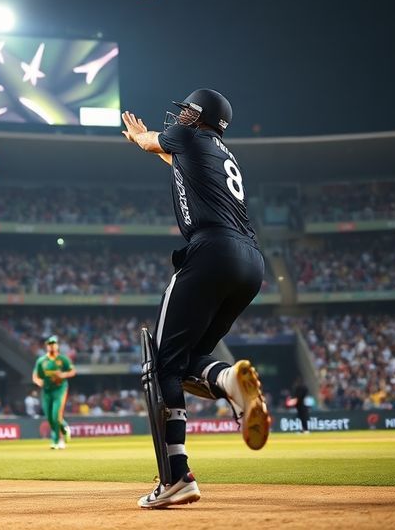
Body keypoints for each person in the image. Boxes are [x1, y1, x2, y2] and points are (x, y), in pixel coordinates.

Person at [121, 89, 271, 509]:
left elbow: (156, 142)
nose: (181, 115)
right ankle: (228, 381)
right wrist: (152, 146)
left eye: (188, 110)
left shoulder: (187, 137)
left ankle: (175, 476)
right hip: (251, 262)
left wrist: (138, 138)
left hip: (212, 251)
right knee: (187, 363)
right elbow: (174, 162)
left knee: (161, 363)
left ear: (200, 117)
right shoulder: (218, 151)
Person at [32, 336, 76, 449]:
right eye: (50, 344)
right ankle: (64, 427)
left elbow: (72, 371)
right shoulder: (41, 361)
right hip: (46, 390)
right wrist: (38, 382)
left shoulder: (63, 359)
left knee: (56, 414)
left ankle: (57, 441)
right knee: (49, 417)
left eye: (54, 343)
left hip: (59, 389)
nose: (52, 345)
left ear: (57, 345)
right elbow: (35, 376)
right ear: (47, 346)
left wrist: (63, 375)